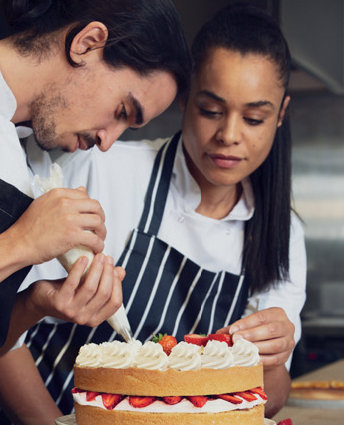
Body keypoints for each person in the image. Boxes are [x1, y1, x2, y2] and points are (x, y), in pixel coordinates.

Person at [0, 3, 306, 424]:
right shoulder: (92, 165)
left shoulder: (281, 232)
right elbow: (7, 332)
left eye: (254, 118)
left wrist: (274, 358)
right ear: (185, 102)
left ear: (280, 116)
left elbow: (267, 400)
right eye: (211, 110)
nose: (230, 136)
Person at [0, 0, 190, 354]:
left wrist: (37, 303)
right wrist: (21, 244)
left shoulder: (32, 163)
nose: (107, 142)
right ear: (87, 43)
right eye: (122, 111)